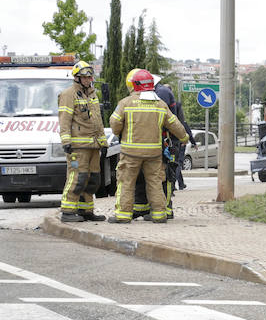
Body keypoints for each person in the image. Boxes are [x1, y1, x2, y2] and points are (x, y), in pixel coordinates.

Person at [108, 69, 189, 223]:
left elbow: (114, 123)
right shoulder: (160, 104)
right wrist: (184, 137)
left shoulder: (125, 103)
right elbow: (175, 124)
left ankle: (123, 215)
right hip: (153, 153)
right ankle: (159, 214)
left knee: (126, 183)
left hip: (131, 153)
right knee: (155, 183)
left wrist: (120, 131)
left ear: (134, 85)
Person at [57, 60, 108, 222]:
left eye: (90, 77)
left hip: (93, 146)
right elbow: (64, 119)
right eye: (84, 77)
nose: (88, 80)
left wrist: (103, 142)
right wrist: (66, 141)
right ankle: (67, 211)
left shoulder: (92, 94)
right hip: (77, 146)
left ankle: (86, 211)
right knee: (77, 178)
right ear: (77, 78)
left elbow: (98, 120)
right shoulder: (68, 94)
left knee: (92, 180)